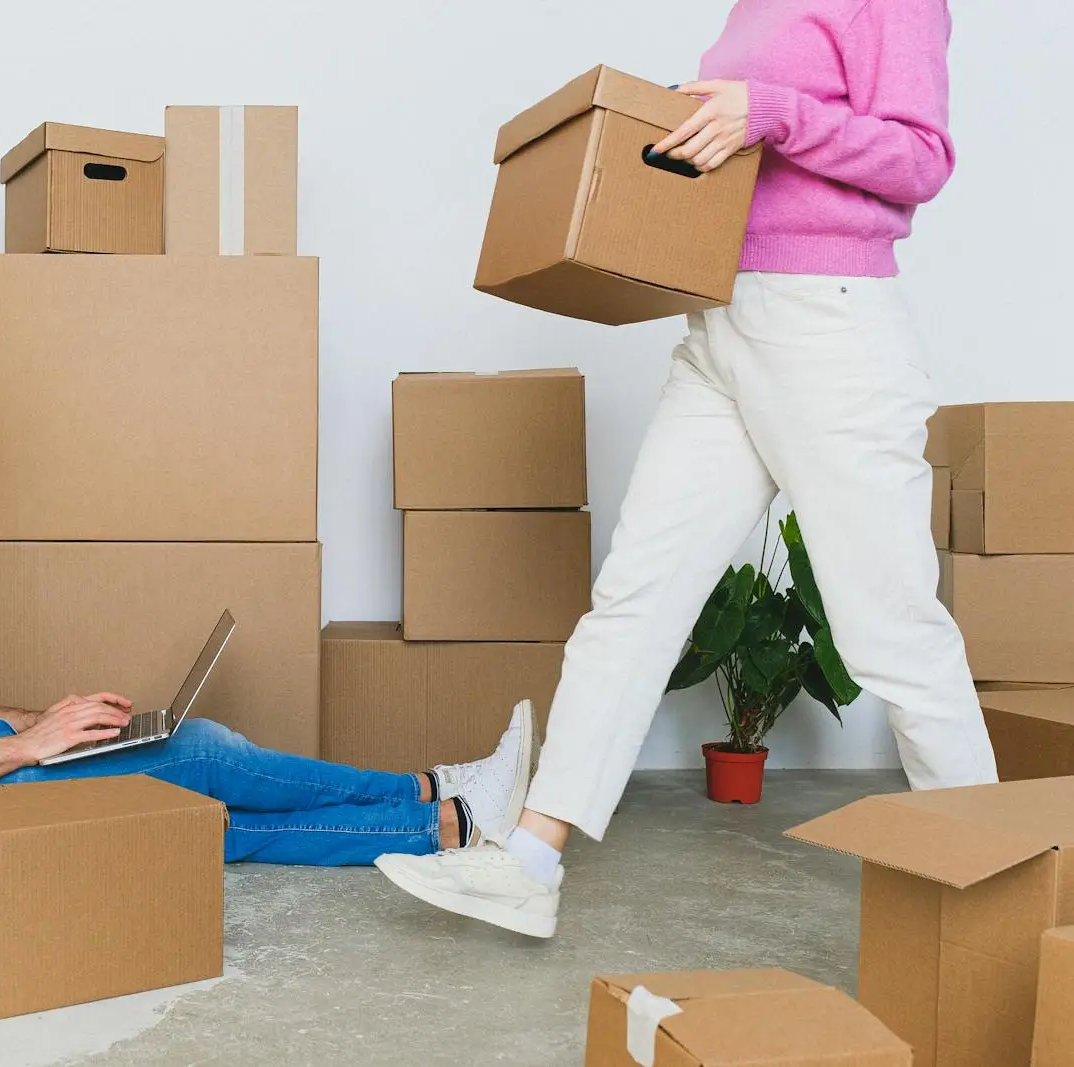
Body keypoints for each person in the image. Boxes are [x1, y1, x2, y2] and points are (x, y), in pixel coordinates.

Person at [374, 0, 997, 938]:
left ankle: (993, 892)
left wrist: (777, 112)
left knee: (890, 630)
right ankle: (531, 860)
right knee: (638, 592)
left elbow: (922, 157)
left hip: (828, 323)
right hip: (720, 318)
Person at [0, 343, 538, 882]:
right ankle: (433, 792)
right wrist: (26, 747)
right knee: (202, 757)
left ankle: (448, 819)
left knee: (190, 812)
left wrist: (52, 724)